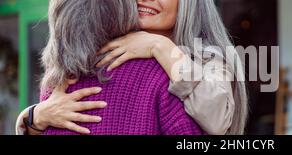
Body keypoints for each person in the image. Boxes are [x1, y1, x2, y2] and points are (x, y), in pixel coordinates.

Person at [17, 0, 248, 135]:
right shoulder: (96, 58)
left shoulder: (207, 60)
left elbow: (218, 121)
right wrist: (33, 117)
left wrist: (160, 46)